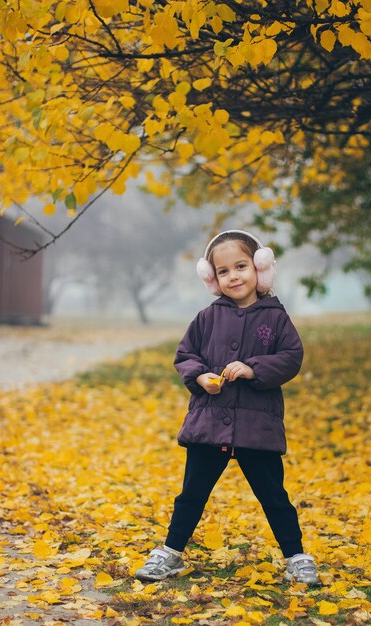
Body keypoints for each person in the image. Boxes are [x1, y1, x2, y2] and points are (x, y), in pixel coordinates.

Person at [135, 229, 319, 584]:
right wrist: (200, 376)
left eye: (241, 266)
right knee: (191, 494)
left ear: (259, 268)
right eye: (223, 271)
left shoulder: (275, 317)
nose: (233, 276)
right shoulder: (207, 317)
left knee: (274, 496)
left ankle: (296, 556)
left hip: (257, 427)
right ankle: (170, 554)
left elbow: (292, 357)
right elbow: (185, 355)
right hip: (209, 424)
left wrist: (254, 368)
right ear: (213, 278)